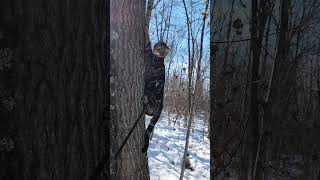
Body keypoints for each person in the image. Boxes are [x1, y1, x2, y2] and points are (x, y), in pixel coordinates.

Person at [142, 33, 170, 153]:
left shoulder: (162, 67)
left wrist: (147, 137)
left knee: (158, 108)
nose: (162, 55)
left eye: (165, 52)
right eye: (160, 51)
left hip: (151, 103)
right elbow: (147, 44)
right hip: (145, 95)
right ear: (155, 50)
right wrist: (146, 31)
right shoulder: (149, 55)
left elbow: (161, 88)